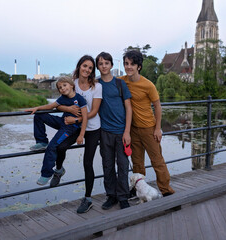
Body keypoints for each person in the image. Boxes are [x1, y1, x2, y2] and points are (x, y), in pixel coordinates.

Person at [119, 50, 175, 197]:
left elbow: (157, 106)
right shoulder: (121, 81)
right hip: (133, 129)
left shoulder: (148, 85)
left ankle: (166, 190)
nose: (129, 67)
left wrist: (158, 128)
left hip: (149, 128)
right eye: (126, 63)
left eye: (132, 64)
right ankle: (139, 188)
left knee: (157, 160)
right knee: (137, 162)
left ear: (139, 66)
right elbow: (104, 82)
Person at [54, 55, 102, 214]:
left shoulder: (96, 86)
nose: (87, 70)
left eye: (90, 68)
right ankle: (59, 170)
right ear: (79, 66)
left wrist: (77, 119)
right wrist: (68, 110)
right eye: (84, 66)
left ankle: (87, 199)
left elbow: (94, 111)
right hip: (76, 128)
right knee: (61, 147)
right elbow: (59, 105)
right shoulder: (71, 84)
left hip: (93, 129)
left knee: (87, 163)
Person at [25, 77, 88, 186]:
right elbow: (50, 106)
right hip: (62, 122)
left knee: (52, 146)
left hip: (70, 127)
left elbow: (85, 118)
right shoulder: (62, 98)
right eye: (60, 88)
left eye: (64, 85)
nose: (62, 89)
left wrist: (81, 135)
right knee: (39, 116)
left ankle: (47, 173)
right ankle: (42, 141)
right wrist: (37, 108)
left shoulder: (80, 99)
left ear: (71, 85)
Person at [96, 52, 132, 210]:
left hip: (121, 132)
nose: (103, 66)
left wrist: (127, 132)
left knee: (123, 166)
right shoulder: (95, 85)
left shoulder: (120, 84)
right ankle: (112, 196)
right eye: (100, 63)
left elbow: (129, 108)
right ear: (98, 66)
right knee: (107, 166)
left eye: (106, 63)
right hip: (104, 132)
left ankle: (123, 197)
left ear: (111, 65)